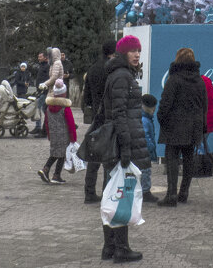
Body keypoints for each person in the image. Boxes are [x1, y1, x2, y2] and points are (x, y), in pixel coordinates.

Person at [98, 35, 149, 262]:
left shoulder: (122, 74)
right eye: (132, 51)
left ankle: (110, 247)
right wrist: (126, 147)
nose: (137, 54)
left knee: (114, 193)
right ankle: (120, 248)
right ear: (122, 54)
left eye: (138, 50)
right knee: (121, 195)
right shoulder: (121, 76)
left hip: (118, 142)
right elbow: (119, 113)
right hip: (120, 144)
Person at [157, 47, 207, 206]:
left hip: (174, 125)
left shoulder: (174, 80)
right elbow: (204, 106)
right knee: (188, 159)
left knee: (172, 159)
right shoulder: (200, 81)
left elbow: (165, 105)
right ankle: (184, 192)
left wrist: (161, 119)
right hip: (193, 127)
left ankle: (171, 195)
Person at [82, 40, 117, 203]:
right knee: (109, 157)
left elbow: (86, 97)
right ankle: (106, 193)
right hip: (109, 116)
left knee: (94, 154)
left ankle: (89, 192)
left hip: (96, 116)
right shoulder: (112, 70)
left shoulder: (93, 68)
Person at [38, 79, 76, 184]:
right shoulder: (65, 108)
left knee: (55, 153)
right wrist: (73, 137)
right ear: (64, 93)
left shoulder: (48, 108)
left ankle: (46, 170)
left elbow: (46, 123)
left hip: (54, 134)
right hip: (64, 134)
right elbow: (71, 123)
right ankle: (55, 175)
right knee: (62, 155)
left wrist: (49, 135)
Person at [140, 94, 160, 203]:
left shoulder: (145, 118)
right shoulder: (145, 120)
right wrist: (151, 146)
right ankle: (145, 192)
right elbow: (146, 136)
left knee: (145, 170)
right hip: (145, 150)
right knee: (145, 171)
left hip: (144, 149)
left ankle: (144, 191)